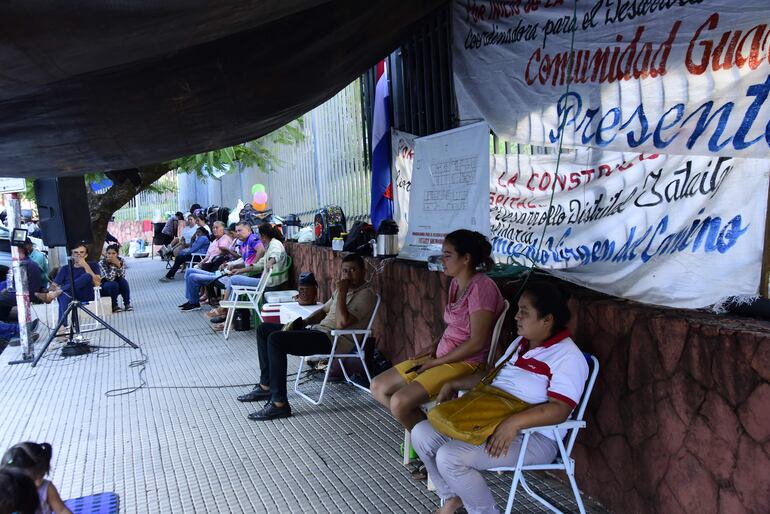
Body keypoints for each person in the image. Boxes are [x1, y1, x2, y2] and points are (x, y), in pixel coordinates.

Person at [410, 282, 589, 514]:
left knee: (450, 456)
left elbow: (560, 409)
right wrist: (452, 383)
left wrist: (512, 424)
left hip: (534, 438)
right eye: (517, 310)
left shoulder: (568, 357)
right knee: (421, 433)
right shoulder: (519, 344)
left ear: (547, 320)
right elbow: (491, 378)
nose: (516, 317)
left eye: (524, 312)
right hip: (492, 420)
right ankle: (455, 497)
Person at [370, 229, 504, 431]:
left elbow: (477, 342)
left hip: (466, 364)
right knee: (378, 386)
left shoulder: (482, 288)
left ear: (466, 259)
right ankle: (426, 434)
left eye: (448, 255)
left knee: (399, 402)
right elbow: (454, 327)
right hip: (441, 357)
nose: (442, 259)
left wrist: (436, 362)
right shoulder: (456, 283)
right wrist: (433, 347)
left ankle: (427, 443)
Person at [239, 254, 377, 421]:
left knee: (276, 340)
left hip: (334, 340)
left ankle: (279, 404)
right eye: (345, 271)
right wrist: (304, 322)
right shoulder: (341, 291)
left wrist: (341, 291)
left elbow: (341, 323)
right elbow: (324, 311)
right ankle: (266, 386)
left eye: (353, 270)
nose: (348, 275)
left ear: (363, 271)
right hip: (318, 332)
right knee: (264, 329)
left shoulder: (367, 295)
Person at [1, 442, 72, 514]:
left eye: (41, 477)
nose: (38, 483)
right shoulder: (6, 495)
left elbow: (61, 510)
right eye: (32, 480)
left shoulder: (46, 488)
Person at [177, 221, 232, 310]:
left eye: (217, 227)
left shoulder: (225, 239)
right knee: (190, 270)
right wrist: (201, 262)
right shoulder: (215, 240)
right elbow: (208, 255)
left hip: (215, 268)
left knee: (192, 276)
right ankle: (191, 300)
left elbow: (222, 254)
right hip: (211, 266)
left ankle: (194, 303)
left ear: (223, 229)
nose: (214, 229)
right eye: (213, 228)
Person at [52, 244, 101, 324]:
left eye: (82, 252)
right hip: (68, 296)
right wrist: (55, 288)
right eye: (76, 252)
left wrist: (85, 266)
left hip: (85, 294)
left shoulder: (93, 265)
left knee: (87, 276)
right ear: (72, 255)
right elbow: (53, 285)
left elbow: (97, 283)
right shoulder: (65, 268)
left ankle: (61, 290)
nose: (79, 255)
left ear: (86, 255)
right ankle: (62, 327)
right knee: (63, 294)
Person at [0, 255, 43, 323]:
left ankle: (5, 321)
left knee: (2, 295)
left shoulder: (23, 264)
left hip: (25, 293)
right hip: (25, 291)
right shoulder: (29, 262)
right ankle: (3, 319)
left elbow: (19, 285)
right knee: (3, 285)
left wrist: (6, 290)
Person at [99, 244, 131, 312]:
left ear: (117, 254)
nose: (111, 255)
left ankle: (127, 304)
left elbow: (122, 275)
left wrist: (119, 265)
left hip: (117, 284)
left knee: (123, 281)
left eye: (113, 253)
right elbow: (109, 278)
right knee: (113, 284)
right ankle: (114, 305)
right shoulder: (102, 263)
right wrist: (114, 265)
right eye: (109, 253)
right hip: (105, 286)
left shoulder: (121, 260)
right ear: (106, 254)